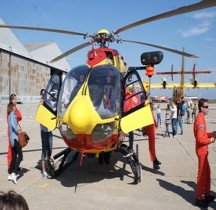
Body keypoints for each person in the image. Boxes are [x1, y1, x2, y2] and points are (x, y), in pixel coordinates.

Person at [193, 98, 216, 208]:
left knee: (207, 174)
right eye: (206, 107)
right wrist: (210, 140)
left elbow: (202, 134)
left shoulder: (201, 118)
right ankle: (199, 198)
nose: (208, 108)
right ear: (201, 108)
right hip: (201, 150)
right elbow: (200, 139)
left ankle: (207, 194)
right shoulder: (200, 120)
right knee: (202, 175)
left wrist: (211, 134)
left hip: (203, 150)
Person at [7, 102, 23, 184]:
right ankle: (14, 173)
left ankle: (9, 173)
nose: (15, 107)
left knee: (14, 157)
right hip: (15, 139)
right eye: (14, 106)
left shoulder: (9, 115)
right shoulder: (12, 114)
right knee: (20, 156)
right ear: (11, 107)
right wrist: (18, 130)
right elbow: (13, 125)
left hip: (12, 139)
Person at [7, 94, 22, 169]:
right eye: (15, 99)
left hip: (13, 132)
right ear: (12, 100)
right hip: (12, 132)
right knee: (12, 150)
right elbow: (13, 122)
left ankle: (13, 167)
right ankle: (12, 168)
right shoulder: (11, 110)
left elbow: (20, 117)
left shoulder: (14, 109)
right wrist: (17, 130)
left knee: (14, 151)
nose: (16, 100)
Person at [39, 95, 53, 179]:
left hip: (49, 131)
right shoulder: (41, 108)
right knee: (44, 149)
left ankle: (48, 165)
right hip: (44, 131)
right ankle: (44, 171)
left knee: (50, 149)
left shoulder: (49, 106)